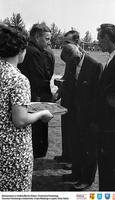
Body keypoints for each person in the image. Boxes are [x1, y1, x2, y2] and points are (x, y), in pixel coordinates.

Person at [0, 25, 53, 191]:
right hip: (12, 150)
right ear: (21, 50)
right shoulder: (18, 78)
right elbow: (20, 120)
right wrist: (43, 112)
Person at [54, 30, 102, 191]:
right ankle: (75, 174)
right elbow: (69, 82)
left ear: (78, 55)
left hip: (88, 116)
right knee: (75, 146)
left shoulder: (95, 66)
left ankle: (86, 179)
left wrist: (95, 120)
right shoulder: (70, 61)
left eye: (73, 63)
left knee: (88, 149)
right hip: (73, 113)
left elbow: (97, 96)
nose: (71, 65)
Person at [18, 23, 55, 159]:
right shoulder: (33, 53)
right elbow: (42, 77)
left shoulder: (36, 51)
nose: (49, 42)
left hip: (32, 96)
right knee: (37, 129)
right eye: (47, 39)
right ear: (37, 37)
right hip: (36, 96)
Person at [96, 23, 115, 191]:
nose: (98, 42)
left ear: (109, 38)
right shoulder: (112, 56)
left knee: (111, 169)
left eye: (100, 38)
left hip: (114, 126)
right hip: (107, 124)